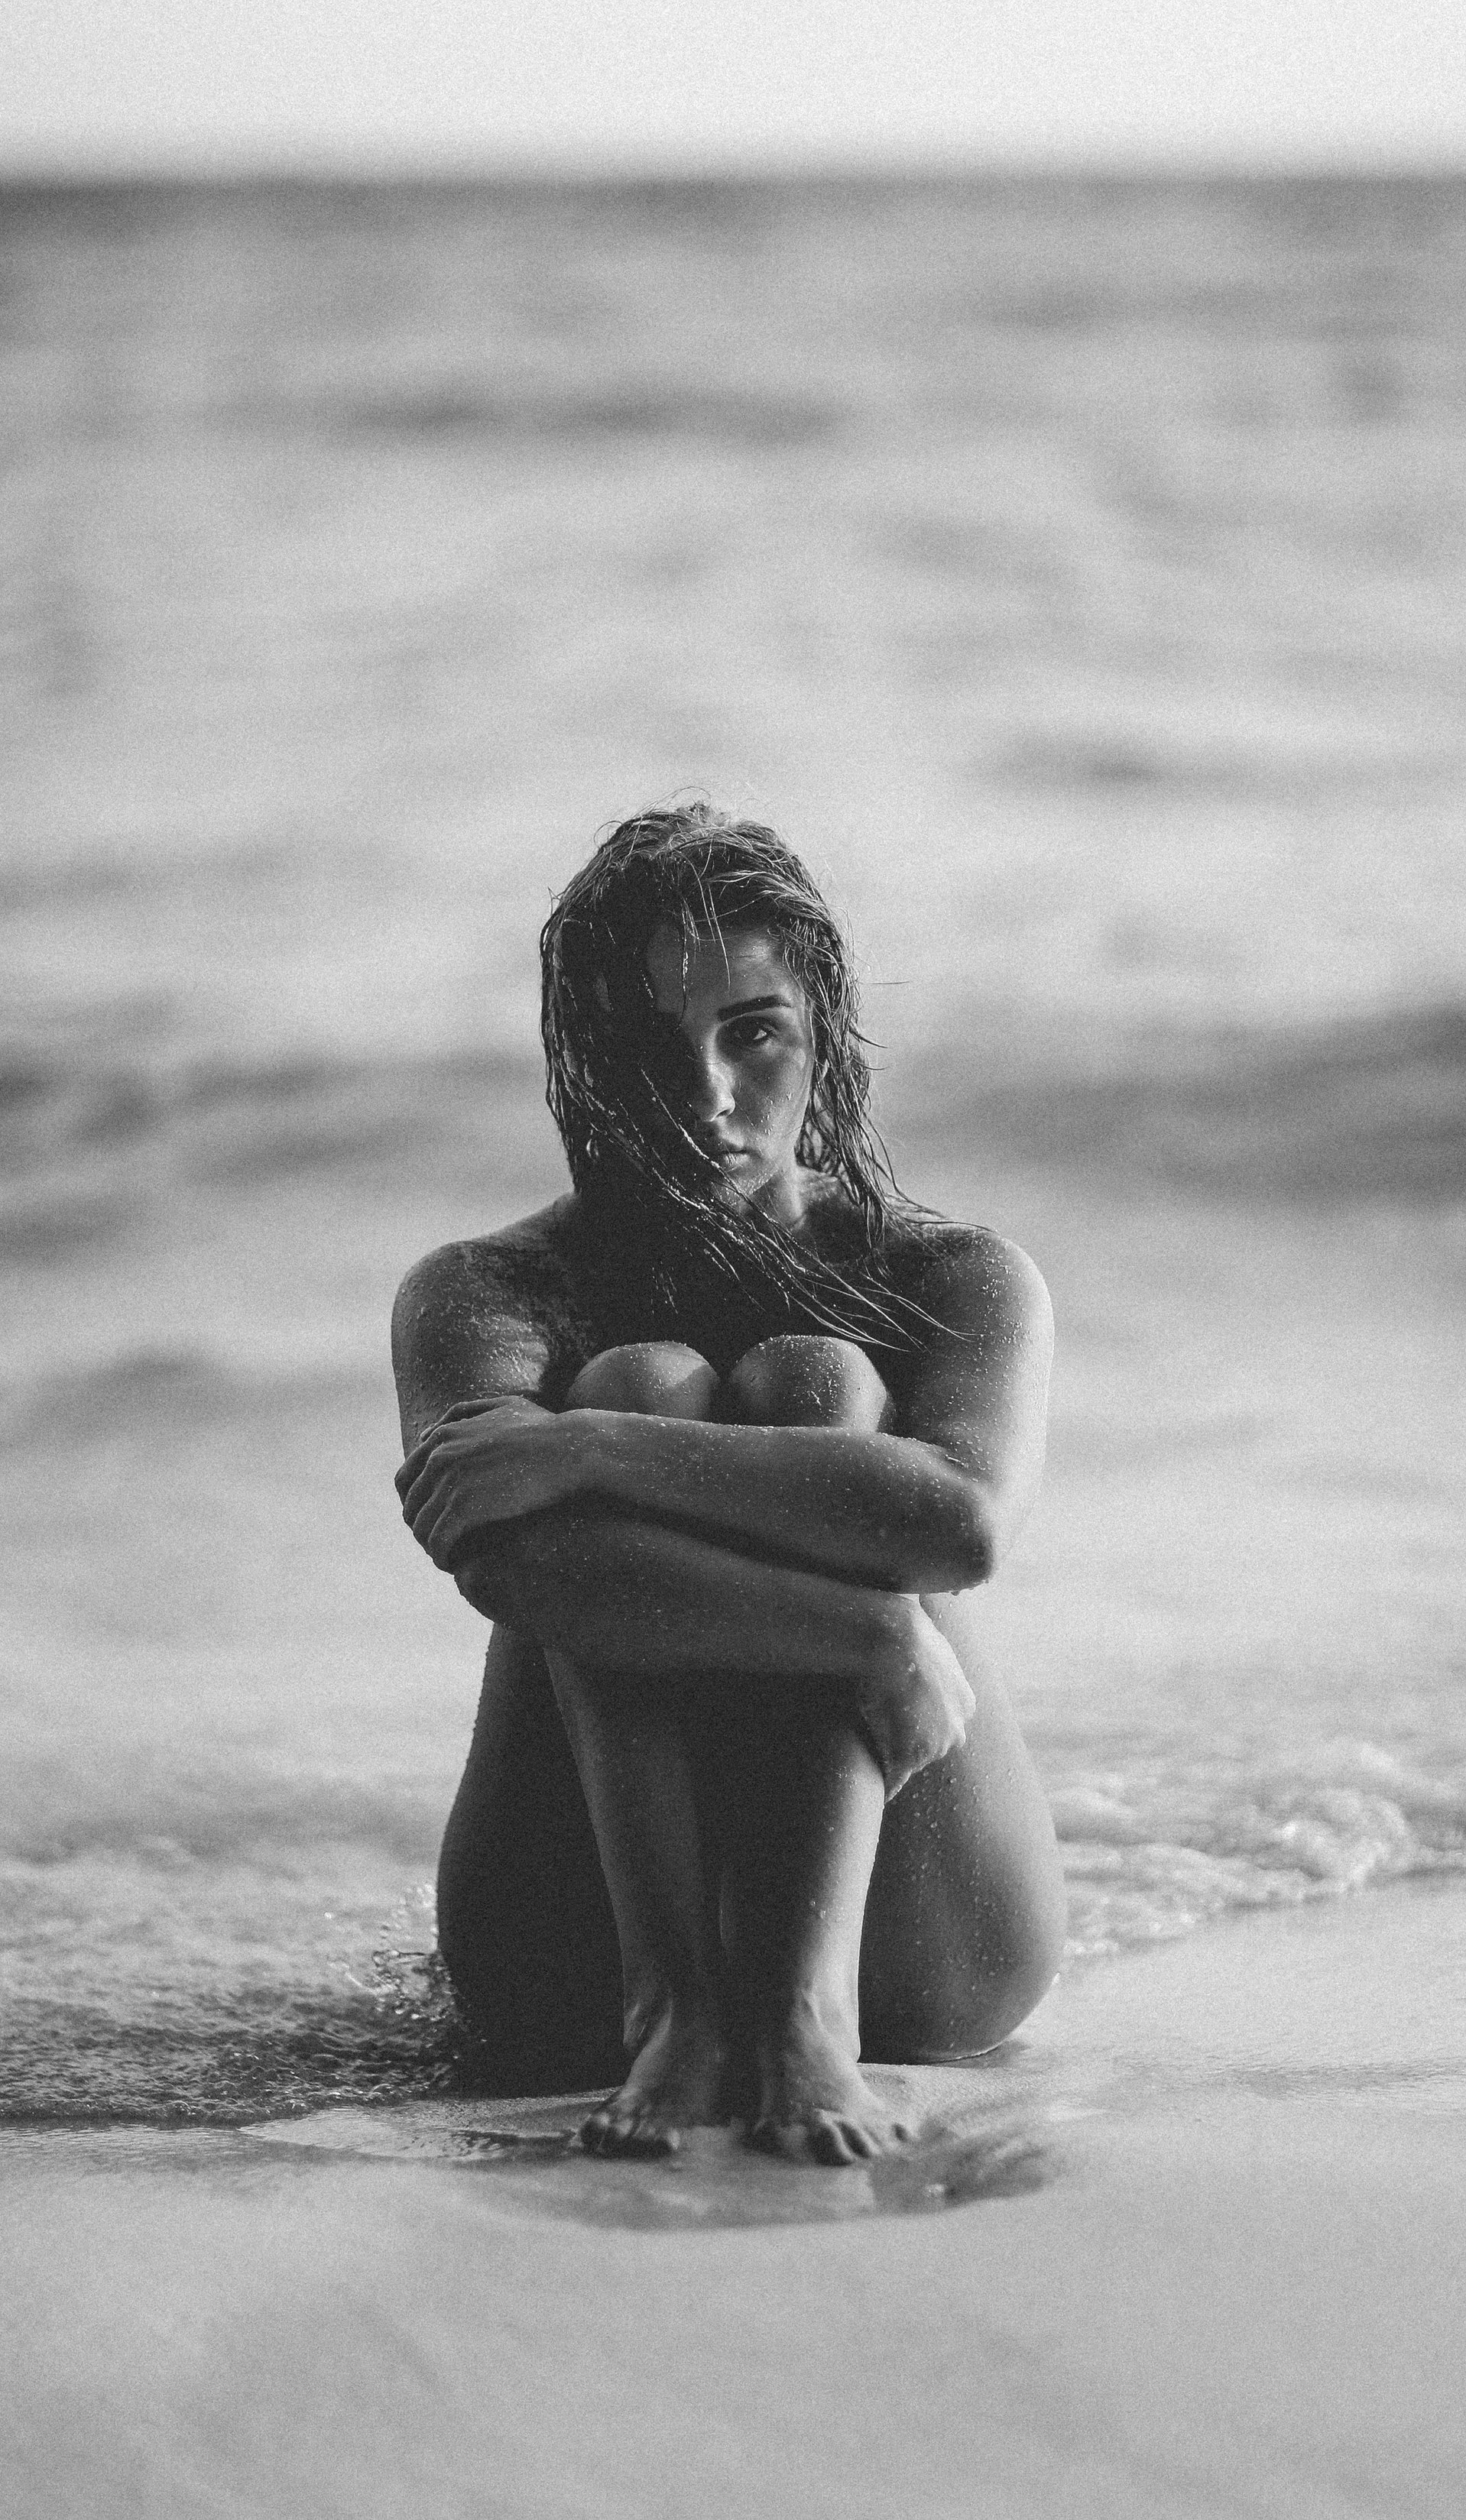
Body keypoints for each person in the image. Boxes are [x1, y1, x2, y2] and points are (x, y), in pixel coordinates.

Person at [391, 805, 1066, 2165]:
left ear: (822, 1035)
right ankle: (680, 2009)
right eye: (652, 1046)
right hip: (565, 1962)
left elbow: (959, 1519)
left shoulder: (948, 1273)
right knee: (636, 1371)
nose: (707, 1093)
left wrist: (590, 1450)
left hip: (922, 1953)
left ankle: (804, 2014)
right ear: (586, 1065)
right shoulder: (491, 1290)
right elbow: (505, 1559)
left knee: (815, 1382)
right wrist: (858, 1632)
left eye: (752, 1032)